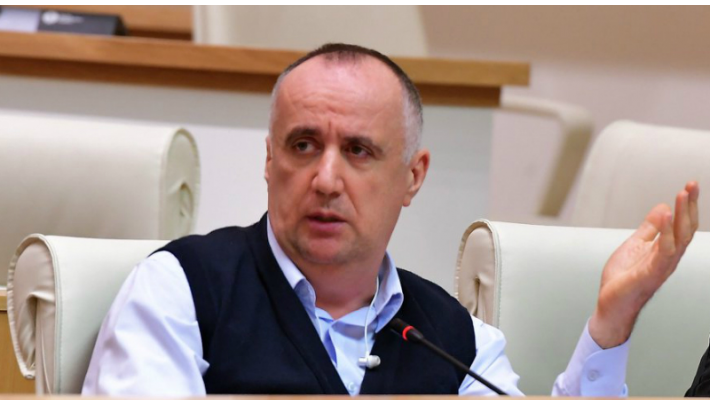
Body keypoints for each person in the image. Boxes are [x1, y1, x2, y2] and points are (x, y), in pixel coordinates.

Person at [82, 43, 700, 396]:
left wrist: (610, 325)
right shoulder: (182, 291)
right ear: (269, 160)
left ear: (412, 176)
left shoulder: (456, 341)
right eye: (303, 145)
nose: (326, 179)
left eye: (358, 151)